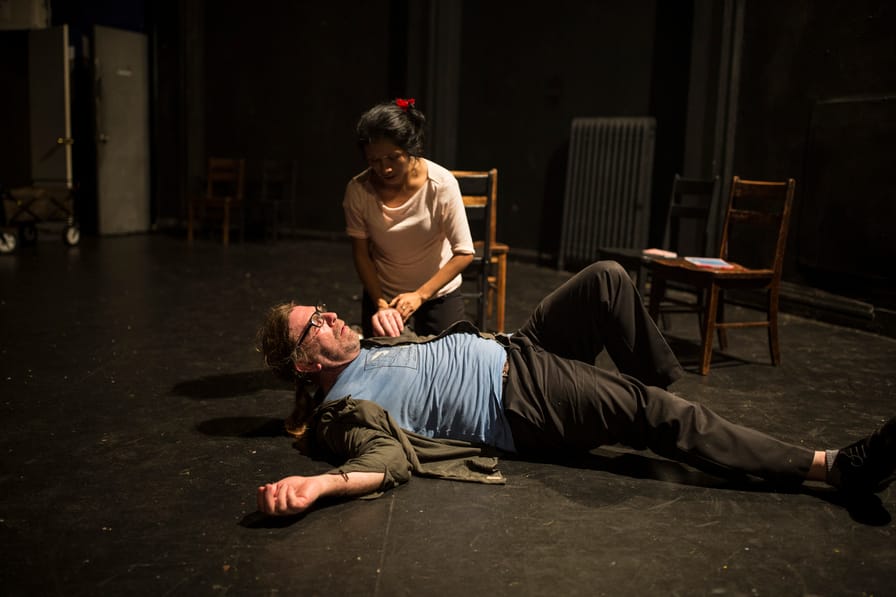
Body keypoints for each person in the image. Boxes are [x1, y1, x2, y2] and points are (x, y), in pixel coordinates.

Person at [254, 260, 896, 517]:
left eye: (324, 310)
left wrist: (400, 324)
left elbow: (428, 350)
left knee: (607, 280)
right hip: (518, 398)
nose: (330, 316)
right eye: (315, 325)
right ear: (305, 365)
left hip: (518, 349)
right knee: (654, 412)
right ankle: (836, 468)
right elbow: (385, 460)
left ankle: (665, 414)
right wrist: (319, 487)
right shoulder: (340, 414)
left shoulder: (370, 345)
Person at [344, 98, 474, 339]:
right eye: (374, 161)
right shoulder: (359, 189)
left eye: (393, 158)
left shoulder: (441, 184)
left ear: (410, 149)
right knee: (379, 359)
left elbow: (464, 253)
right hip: (384, 297)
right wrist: (381, 304)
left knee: (448, 357)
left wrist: (420, 295)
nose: (385, 168)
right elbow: (361, 254)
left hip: (437, 294)